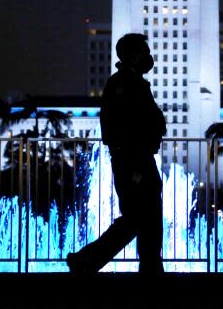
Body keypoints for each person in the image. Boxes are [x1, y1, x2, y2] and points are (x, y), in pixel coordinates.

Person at [66, 33, 166, 274]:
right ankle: (85, 261)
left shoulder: (133, 82)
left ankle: (149, 266)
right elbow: (124, 125)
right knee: (137, 217)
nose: (149, 57)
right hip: (133, 160)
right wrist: (135, 162)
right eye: (144, 51)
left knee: (147, 216)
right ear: (133, 55)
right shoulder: (122, 84)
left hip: (138, 158)